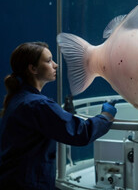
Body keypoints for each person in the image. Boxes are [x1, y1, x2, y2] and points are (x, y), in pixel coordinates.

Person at [0, 42, 118, 189]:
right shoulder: (38, 104)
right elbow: (79, 132)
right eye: (49, 61)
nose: (55, 65)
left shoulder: (19, 98)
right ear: (33, 68)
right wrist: (106, 116)